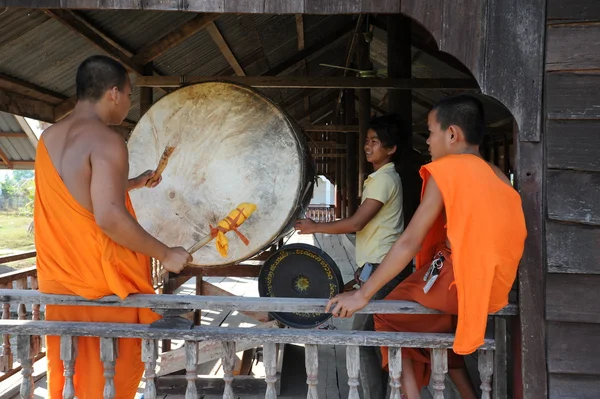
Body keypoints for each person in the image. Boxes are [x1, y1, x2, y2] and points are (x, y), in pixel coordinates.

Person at [324, 95, 527, 399]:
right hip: (493, 286)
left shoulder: (448, 171)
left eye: (431, 132)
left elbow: (410, 241)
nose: (428, 142)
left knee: (387, 316)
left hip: (456, 280)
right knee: (438, 326)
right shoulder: (498, 176)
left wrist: (362, 294)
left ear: (452, 134)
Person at [34, 55, 192, 398]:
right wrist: (165, 253)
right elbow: (108, 218)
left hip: (61, 283)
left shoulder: (48, 139)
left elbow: (81, 193)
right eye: (130, 95)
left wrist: (132, 183)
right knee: (108, 379)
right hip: (100, 286)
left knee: (71, 375)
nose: (129, 103)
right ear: (115, 93)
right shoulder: (107, 141)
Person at [295, 114, 406, 399]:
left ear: (391, 149)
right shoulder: (381, 177)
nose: (368, 147)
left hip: (383, 269)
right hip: (375, 268)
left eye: (375, 142)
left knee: (362, 341)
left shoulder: (383, 180)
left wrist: (315, 227)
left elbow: (357, 223)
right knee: (374, 338)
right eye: (367, 141)